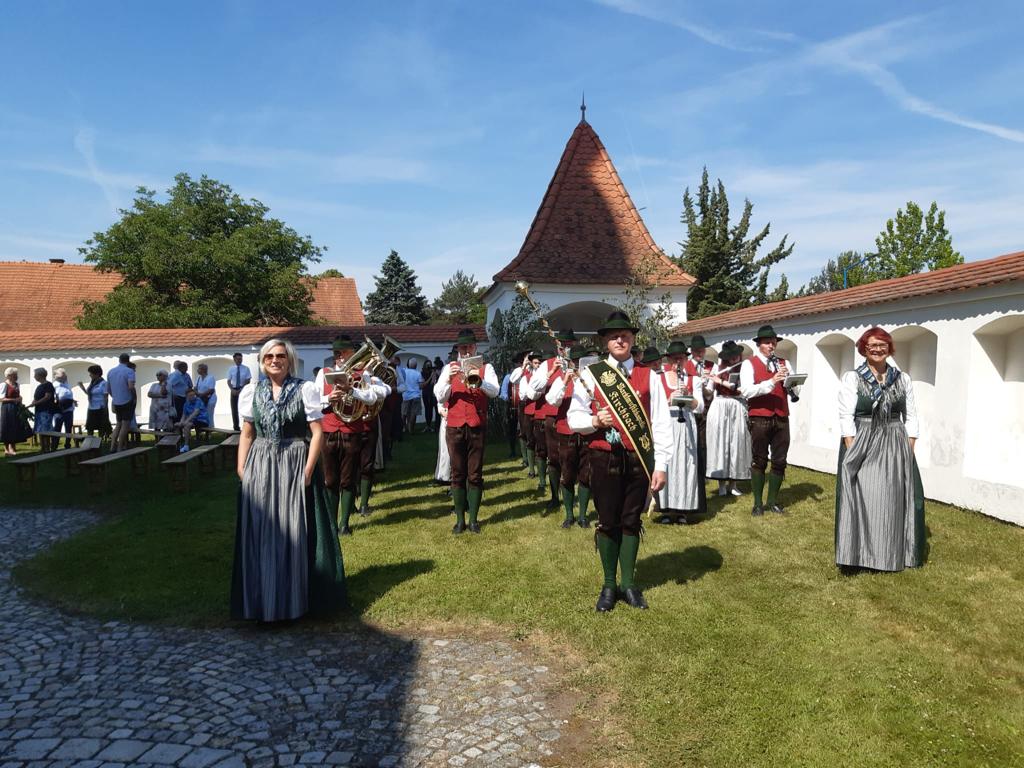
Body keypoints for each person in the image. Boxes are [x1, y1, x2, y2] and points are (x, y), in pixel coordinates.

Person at [230, 338, 346, 622]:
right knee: (261, 531)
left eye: (280, 356)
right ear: (262, 361)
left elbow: (317, 433)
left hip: (293, 461)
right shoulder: (252, 391)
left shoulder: (304, 389)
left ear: (289, 360)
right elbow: (247, 433)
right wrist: (242, 469)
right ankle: (262, 601)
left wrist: (307, 470)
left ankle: (292, 602)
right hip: (260, 463)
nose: (275, 361)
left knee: (293, 531)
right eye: (269, 356)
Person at [568, 311, 672, 612]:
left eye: (625, 335)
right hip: (603, 457)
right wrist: (594, 421)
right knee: (607, 521)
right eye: (614, 336)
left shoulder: (650, 376)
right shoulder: (591, 375)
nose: (620, 340)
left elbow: (661, 423)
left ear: (633, 339)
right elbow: (574, 418)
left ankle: (628, 584)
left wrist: (661, 465)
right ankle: (609, 585)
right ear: (605, 341)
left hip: (638, 458)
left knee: (631, 521)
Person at [836, 327, 925, 573]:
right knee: (865, 495)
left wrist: (908, 447)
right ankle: (860, 554)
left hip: (895, 439)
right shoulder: (853, 378)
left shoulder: (902, 378)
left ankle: (891, 552)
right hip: (863, 438)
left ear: (890, 348)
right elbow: (846, 416)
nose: (877, 349)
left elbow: (912, 416)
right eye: (872, 345)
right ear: (864, 348)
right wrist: (852, 449)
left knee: (893, 498)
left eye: (882, 345)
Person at [314, 336, 390, 535]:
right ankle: (331, 523)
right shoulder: (324, 373)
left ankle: (344, 524)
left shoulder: (362, 374)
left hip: (352, 431)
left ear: (352, 354)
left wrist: (352, 391)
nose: (340, 357)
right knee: (330, 480)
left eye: (344, 353)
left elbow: (372, 398)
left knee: (348, 480)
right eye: (337, 353)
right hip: (329, 431)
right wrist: (328, 398)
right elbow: (313, 402)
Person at [433, 328, 500, 534]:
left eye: (469, 347)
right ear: (458, 350)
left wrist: (479, 381)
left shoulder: (486, 368)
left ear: (475, 347)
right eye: (463, 348)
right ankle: (460, 520)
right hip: (454, 427)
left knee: (475, 474)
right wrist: (448, 379)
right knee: (457, 473)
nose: (466, 351)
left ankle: (473, 520)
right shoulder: (449, 368)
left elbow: (495, 391)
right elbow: (440, 396)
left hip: (476, 425)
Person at [740, 325, 801, 516]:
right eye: (767, 342)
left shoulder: (784, 363)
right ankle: (758, 504)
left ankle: (773, 501)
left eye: (773, 342)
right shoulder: (749, 364)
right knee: (759, 460)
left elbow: (796, 389)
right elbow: (747, 391)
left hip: (781, 415)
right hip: (759, 417)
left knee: (780, 460)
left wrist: (791, 382)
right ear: (759, 345)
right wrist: (772, 381)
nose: (771, 346)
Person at [526, 330, 579, 512]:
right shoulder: (547, 364)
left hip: (575, 416)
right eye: (563, 345)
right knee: (554, 458)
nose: (566, 348)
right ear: (557, 347)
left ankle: (574, 494)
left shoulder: (580, 362)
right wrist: (551, 372)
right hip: (553, 417)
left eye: (569, 344)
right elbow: (533, 388)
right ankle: (555, 496)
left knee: (573, 458)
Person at [544, 345, 594, 528]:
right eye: (573, 363)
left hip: (587, 431)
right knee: (567, 474)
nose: (576, 366)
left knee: (585, 474)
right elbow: (552, 400)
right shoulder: (561, 380)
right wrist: (565, 381)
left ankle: (583, 516)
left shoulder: (591, 380)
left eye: (579, 363)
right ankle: (569, 515)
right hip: (566, 432)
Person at [656, 340, 704, 524]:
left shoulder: (694, 379)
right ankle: (666, 509)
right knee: (667, 462)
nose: (678, 362)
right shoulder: (659, 379)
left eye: (681, 358)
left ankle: (683, 509)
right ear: (669, 360)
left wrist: (688, 397)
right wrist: (669, 399)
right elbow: (654, 406)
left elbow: (700, 407)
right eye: (675, 359)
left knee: (685, 464)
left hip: (686, 425)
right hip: (667, 422)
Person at [705, 341, 751, 497]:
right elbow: (709, 392)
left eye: (736, 355)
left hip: (737, 405)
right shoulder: (717, 369)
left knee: (736, 444)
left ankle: (733, 484)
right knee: (720, 444)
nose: (734, 359)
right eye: (730, 357)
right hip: (720, 405)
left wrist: (721, 381)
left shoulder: (744, 368)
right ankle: (722, 485)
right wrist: (702, 384)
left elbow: (742, 390)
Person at [685, 335, 715, 515]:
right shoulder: (685, 365)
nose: (699, 353)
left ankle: (700, 479)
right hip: (688, 411)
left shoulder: (711, 366)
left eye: (702, 350)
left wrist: (703, 384)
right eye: (696, 351)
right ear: (691, 351)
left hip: (705, 410)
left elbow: (709, 394)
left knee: (702, 446)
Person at [106, 353, 136, 452]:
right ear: (128, 360)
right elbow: (131, 386)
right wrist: (134, 397)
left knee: (118, 424)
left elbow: (108, 389)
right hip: (127, 400)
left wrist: (114, 396)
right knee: (125, 425)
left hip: (116, 401)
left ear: (119, 360)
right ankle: (120, 447)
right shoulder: (129, 371)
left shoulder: (111, 371)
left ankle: (112, 446)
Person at [78, 365, 111, 440]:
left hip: (100, 408)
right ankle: (90, 441)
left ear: (97, 374)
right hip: (91, 407)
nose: (90, 375)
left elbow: (106, 396)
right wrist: (82, 388)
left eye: (91, 373)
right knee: (90, 427)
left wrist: (105, 408)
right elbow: (89, 394)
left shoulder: (103, 383)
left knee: (101, 427)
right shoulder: (92, 383)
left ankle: (100, 441)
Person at [29, 368, 56, 452]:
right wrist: (32, 403)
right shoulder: (39, 386)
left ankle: (47, 447)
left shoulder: (48, 385)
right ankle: (42, 447)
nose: (34, 377)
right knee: (40, 429)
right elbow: (36, 398)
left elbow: (47, 397)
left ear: (40, 375)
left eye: (35, 375)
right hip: (39, 410)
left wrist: (36, 403)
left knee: (46, 429)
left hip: (46, 410)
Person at [1, 367, 26, 456]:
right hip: (7, 408)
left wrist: (20, 399)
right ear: (9, 376)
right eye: (15, 375)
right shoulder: (4, 385)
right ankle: (7, 449)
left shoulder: (17, 384)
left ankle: (12, 447)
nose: (16, 376)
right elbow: (1, 398)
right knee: (7, 427)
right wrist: (14, 400)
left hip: (16, 408)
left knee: (14, 426)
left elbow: (17, 396)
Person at [51, 368, 76, 449]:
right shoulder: (54, 385)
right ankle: (54, 445)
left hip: (69, 409)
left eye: (65, 376)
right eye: (63, 376)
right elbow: (53, 397)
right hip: (59, 409)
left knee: (68, 427)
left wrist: (73, 401)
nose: (65, 377)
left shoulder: (67, 384)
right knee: (57, 427)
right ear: (57, 377)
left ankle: (67, 444)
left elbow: (68, 394)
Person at [227, 352, 252, 431]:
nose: (239, 360)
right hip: (234, 390)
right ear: (234, 359)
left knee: (244, 408)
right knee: (234, 409)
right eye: (238, 359)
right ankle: (236, 427)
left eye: (240, 359)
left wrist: (241, 389)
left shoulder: (246, 368)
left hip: (243, 390)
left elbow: (248, 380)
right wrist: (232, 389)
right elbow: (228, 381)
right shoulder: (231, 369)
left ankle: (246, 426)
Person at [399, 359, 424, 435]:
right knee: (413, 413)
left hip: (405, 396)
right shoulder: (418, 373)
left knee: (403, 413)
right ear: (416, 365)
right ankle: (411, 429)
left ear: (408, 364)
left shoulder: (403, 371)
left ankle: (403, 427)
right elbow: (421, 386)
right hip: (416, 396)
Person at [421, 359, 437, 432]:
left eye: (429, 365)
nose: (428, 366)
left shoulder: (432, 372)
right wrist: (431, 376)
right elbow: (424, 384)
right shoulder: (422, 373)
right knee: (427, 409)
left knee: (430, 409)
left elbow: (432, 383)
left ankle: (429, 426)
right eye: (427, 365)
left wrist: (433, 375)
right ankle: (427, 425)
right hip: (425, 393)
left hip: (431, 392)